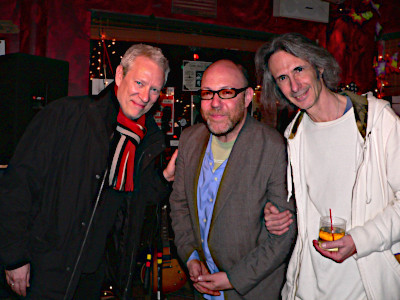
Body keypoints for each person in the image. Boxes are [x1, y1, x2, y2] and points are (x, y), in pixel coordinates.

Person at [0, 44, 177, 299]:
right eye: (139, 82)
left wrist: (163, 180)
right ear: (119, 75)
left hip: (94, 275)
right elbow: (18, 186)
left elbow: (135, 207)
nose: (145, 95)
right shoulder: (66, 115)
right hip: (45, 269)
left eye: (154, 89)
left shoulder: (147, 141)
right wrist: (14, 257)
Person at [256, 32, 400, 299]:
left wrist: (359, 241)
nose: (295, 85)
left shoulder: (377, 121)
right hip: (308, 285)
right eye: (282, 78)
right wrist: (277, 214)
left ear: (319, 66)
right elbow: (309, 207)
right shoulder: (293, 135)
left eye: (299, 69)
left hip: (367, 285)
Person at [169, 59, 296, 299]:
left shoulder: (273, 146)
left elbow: (283, 235)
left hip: (250, 290)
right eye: (207, 93)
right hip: (200, 286)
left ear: (247, 97)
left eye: (226, 92)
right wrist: (190, 257)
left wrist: (232, 279)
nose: (215, 103)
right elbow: (180, 206)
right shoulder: (189, 139)